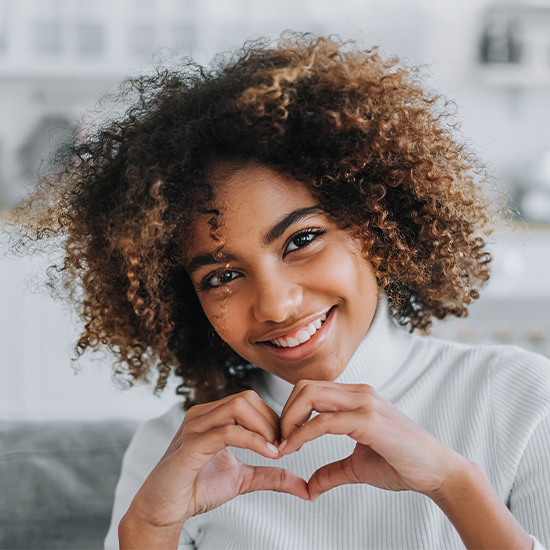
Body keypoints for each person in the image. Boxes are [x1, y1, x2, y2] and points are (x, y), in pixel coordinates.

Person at [12, 35, 550, 549]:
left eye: (302, 240)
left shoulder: (521, 401)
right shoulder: (173, 454)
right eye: (221, 276)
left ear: (375, 224)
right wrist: (150, 530)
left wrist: (454, 485)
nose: (275, 305)